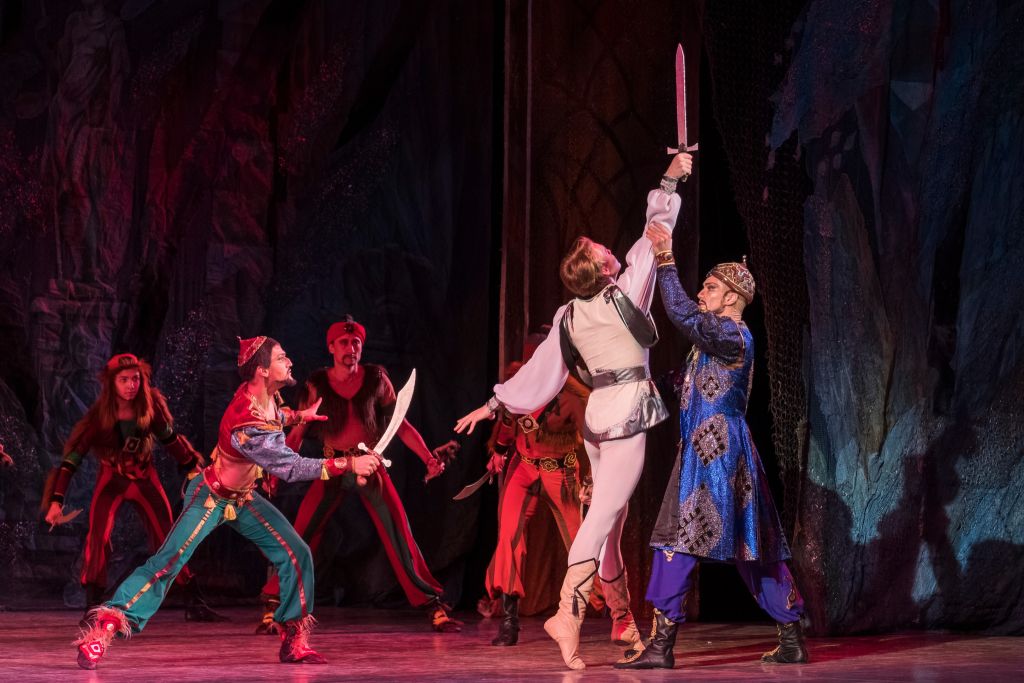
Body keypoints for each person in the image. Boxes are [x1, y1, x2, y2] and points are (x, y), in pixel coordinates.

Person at [456, 152, 694, 670]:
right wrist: (670, 181)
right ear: (605, 267)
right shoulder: (625, 293)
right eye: (602, 248)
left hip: (596, 419)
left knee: (613, 521)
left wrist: (493, 402)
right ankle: (568, 612)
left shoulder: (567, 314)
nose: (609, 248)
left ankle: (623, 619)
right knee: (603, 515)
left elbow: (539, 374)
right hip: (625, 411)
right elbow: (653, 234)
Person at [73, 336, 379, 669]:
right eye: (281, 357)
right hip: (210, 497)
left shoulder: (264, 395)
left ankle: (293, 638)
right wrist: (348, 463)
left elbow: (274, 416)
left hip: (242, 498)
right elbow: (289, 467)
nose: (289, 361)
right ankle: (103, 629)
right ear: (262, 370)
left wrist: (298, 416)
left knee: (296, 553)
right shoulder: (246, 421)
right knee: (168, 562)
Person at [615, 223, 808, 669]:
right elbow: (680, 384)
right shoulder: (713, 344)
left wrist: (665, 258)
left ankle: (661, 646)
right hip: (723, 452)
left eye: (710, 287)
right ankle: (792, 639)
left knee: (676, 539)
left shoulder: (731, 335)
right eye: (703, 286)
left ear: (733, 298)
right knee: (753, 545)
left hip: (713, 454)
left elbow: (683, 314)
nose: (702, 292)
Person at [256, 317, 461, 634]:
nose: (350, 348)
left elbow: (401, 425)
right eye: (344, 343)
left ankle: (432, 604)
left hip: (368, 465)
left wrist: (428, 459)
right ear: (331, 347)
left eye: (356, 343)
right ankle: (273, 601)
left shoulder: (377, 379)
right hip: (332, 467)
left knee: (399, 531)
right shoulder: (316, 384)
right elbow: (297, 434)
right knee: (301, 533)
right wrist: (276, 472)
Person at [44, 353, 223, 622]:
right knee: (98, 536)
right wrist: (56, 501)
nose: (131, 385)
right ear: (112, 383)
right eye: (124, 380)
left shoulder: (149, 408)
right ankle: (92, 605)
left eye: (136, 379)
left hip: (144, 478)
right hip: (112, 480)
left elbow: (171, 440)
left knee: (171, 537)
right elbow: (72, 460)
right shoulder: (99, 417)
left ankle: (194, 600)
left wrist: (192, 467)